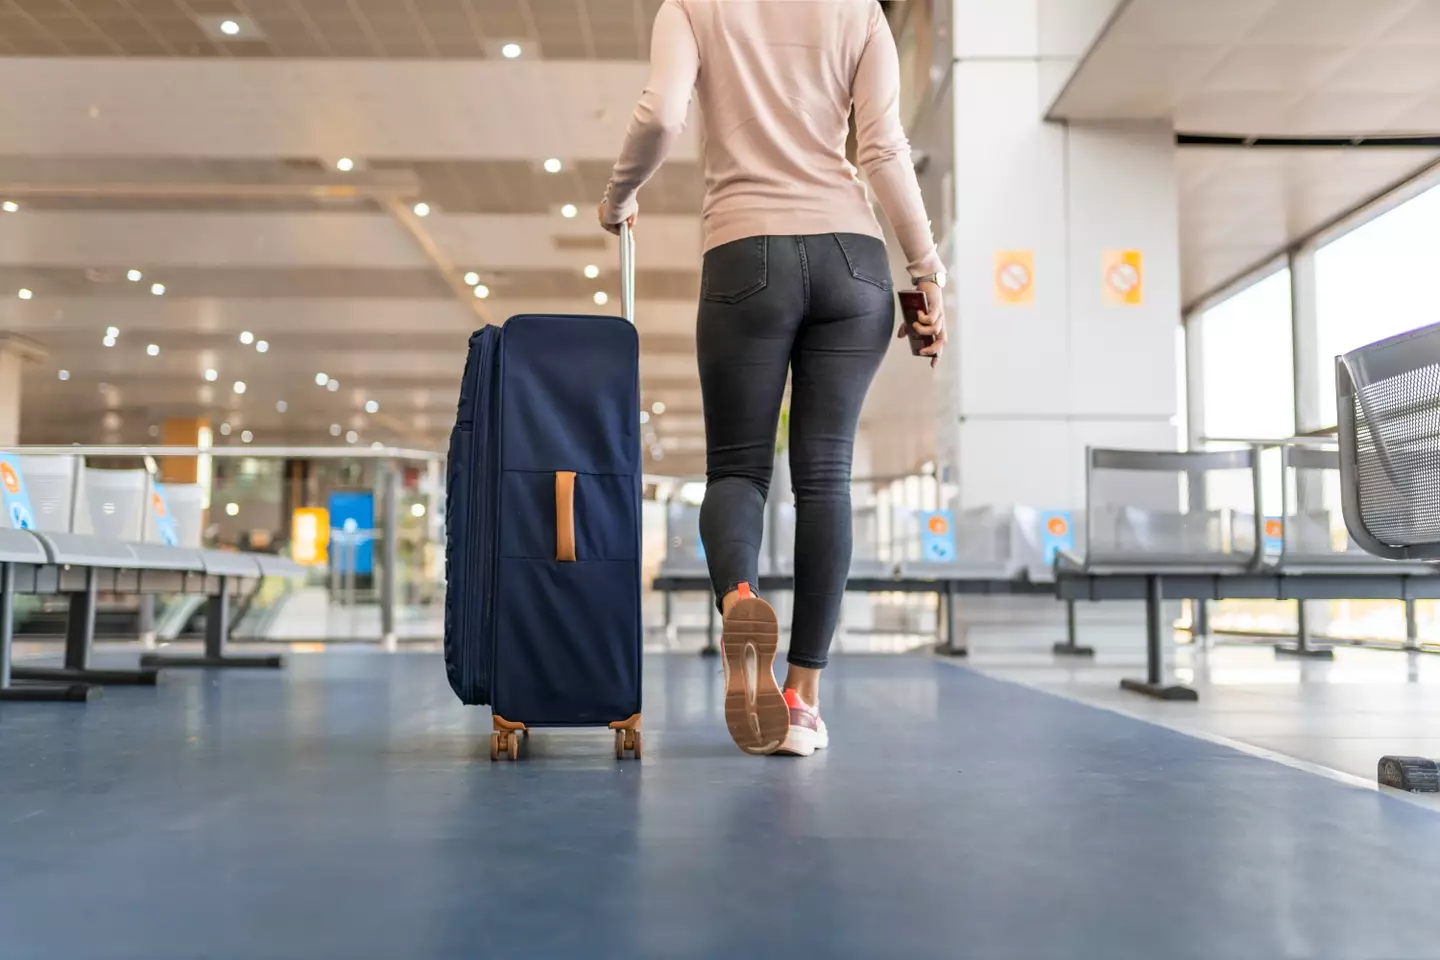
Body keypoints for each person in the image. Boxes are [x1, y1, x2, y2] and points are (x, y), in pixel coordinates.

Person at [598, 0, 946, 757]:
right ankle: (802, 698)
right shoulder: (861, 13)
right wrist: (926, 268)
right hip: (854, 260)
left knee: (737, 471)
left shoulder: (690, 6)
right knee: (826, 480)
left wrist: (619, 197)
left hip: (744, 252)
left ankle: (741, 599)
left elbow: (661, 117)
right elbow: (883, 148)